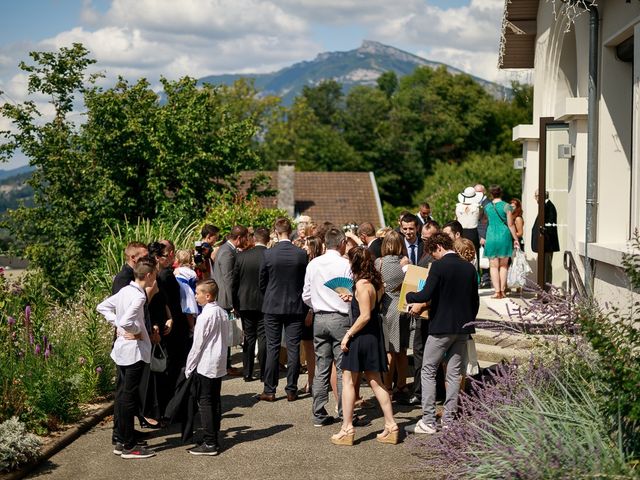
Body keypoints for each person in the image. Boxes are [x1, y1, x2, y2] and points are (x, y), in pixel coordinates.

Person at [404, 233, 479, 435]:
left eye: (432, 253)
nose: (433, 258)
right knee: (455, 374)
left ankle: (428, 420)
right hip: (463, 328)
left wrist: (409, 296)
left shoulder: (439, 266)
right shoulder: (469, 267)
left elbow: (425, 294)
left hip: (441, 327)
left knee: (428, 370)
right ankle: (449, 420)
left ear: (438, 247)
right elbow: (475, 301)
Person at [331, 247, 399, 446]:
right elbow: (370, 307)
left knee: (349, 381)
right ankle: (391, 426)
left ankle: (347, 429)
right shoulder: (376, 283)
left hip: (361, 336)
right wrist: (353, 298)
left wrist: (347, 335)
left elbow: (364, 315)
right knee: (376, 382)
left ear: (355, 263)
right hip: (374, 335)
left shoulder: (361, 283)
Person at [97, 256, 158, 459]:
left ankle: (122, 440)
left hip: (123, 350)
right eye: (155, 275)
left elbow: (102, 307)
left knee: (123, 396)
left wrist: (120, 326)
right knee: (129, 397)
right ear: (148, 275)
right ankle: (129, 445)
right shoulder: (139, 296)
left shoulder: (126, 291)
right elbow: (126, 320)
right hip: (134, 352)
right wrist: (136, 330)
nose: (155, 278)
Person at [302, 228, 352, 426]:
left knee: (321, 366)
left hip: (319, 317)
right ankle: (343, 411)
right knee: (342, 368)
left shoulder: (314, 263)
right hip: (340, 317)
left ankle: (318, 412)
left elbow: (305, 294)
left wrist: (317, 304)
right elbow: (349, 292)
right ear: (341, 243)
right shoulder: (345, 264)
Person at [258, 218, 308, 402]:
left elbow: (262, 281)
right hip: (295, 305)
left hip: (272, 305)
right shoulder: (301, 254)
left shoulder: (268, 254)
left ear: (276, 231)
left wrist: (270, 295)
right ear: (290, 230)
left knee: (273, 347)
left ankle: (270, 390)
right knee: (293, 348)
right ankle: (291, 389)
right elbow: (305, 281)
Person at [184, 280, 229, 456]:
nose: (195, 296)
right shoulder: (222, 313)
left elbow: (198, 345)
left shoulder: (205, 316)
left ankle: (210, 442)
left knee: (205, 402)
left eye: (198, 293)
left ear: (208, 295)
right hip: (218, 362)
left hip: (206, 363)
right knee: (214, 400)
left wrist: (189, 367)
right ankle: (213, 436)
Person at [375, 231, 410, 398]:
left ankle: (387, 386)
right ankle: (401, 385)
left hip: (385, 307)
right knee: (402, 351)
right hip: (402, 307)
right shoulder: (405, 263)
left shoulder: (378, 263)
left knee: (389, 350)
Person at [232, 227, 268, 383]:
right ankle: (264, 372)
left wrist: (235, 304)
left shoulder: (241, 257)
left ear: (254, 239)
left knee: (249, 337)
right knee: (263, 337)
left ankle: (247, 372)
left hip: (245, 302)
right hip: (264, 302)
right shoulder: (269, 255)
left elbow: (234, 283)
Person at [213, 225, 248, 376]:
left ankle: (226, 364)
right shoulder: (227, 252)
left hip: (223, 298)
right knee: (225, 334)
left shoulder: (225, 249)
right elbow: (228, 279)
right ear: (239, 238)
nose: (246, 240)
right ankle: (226, 366)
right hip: (224, 299)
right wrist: (233, 302)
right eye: (245, 237)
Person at [484, 185, 520, 299]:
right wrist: (516, 239)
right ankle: (503, 291)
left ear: (491, 194)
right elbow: (510, 224)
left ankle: (496, 291)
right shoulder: (507, 206)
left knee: (493, 266)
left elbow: (487, 220)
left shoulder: (487, 207)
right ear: (501, 193)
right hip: (504, 235)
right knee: (504, 266)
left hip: (491, 235)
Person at [300, 235, 324, 396]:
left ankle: (314, 382)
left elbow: (313, 291)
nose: (303, 247)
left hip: (313, 308)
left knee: (313, 348)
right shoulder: (305, 262)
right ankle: (312, 380)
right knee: (310, 348)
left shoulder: (314, 264)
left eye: (306, 245)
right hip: (309, 307)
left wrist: (310, 311)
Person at [531, 190, 560, 287]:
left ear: (541, 196)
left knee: (546, 269)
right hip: (543, 244)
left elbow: (550, 226)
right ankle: (543, 291)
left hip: (547, 244)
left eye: (536, 196)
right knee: (543, 269)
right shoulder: (545, 206)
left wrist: (544, 236)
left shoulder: (549, 207)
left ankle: (546, 293)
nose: (535, 199)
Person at [455, 186, 483, 263]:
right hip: (473, 232)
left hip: (461, 232)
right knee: (474, 255)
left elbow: (456, 219)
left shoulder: (458, 207)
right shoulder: (477, 207)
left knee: (461, 253)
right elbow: (481, 218)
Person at [174, 249, 198, 332]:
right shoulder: (192, 272)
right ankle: (192, 327)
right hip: (189, 292)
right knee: (190, 312)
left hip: (180, 292)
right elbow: (194, 283)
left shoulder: (176, 271)